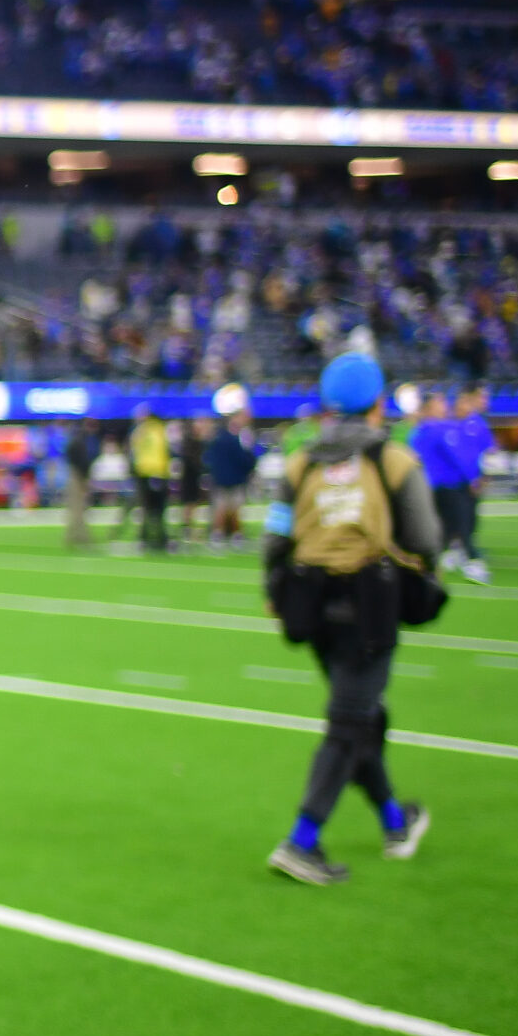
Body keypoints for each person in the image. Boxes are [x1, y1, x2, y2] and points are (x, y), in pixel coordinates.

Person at [263, 353, 439, 886]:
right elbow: (427, 538)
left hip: (313, 604)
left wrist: (275, 591)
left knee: (362, 717)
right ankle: (301, 840)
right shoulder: (394, 461)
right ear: (378, 404)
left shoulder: (300, 463)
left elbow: (275, 537)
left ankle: (394, 820)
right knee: (349, 723)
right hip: (370, 603)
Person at [418, 385, 494, 585]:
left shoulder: (420, 431)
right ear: (429, 408)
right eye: (439, 403)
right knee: (463, 524)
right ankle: (472, 562)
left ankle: (446, 556)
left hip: (433, 486)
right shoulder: (442, 429)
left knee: (444, 526)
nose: (444, 406)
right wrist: (473, 478)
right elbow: (458, 457)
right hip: (451, 485)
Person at [201, 408, 260, 554]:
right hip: (230, 478)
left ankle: (226, 536)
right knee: (226, 508)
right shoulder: (235, 436)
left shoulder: (224, 436)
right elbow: (245, 458)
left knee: (230, 509)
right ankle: (227, 536)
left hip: (226, 478)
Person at [128, 406, 171, 553]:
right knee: (158, 510)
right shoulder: (159, 430)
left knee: (146, 508)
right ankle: (159, 538)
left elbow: (134, 451)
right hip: (157, 473)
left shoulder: (141, 431)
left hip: (144, 473)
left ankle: (146, 537)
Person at [60, 419, 98, 549]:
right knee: (78, 508)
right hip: (78, 475)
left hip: (80, 475)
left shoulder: (82, 438)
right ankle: (79, 536)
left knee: (78, 508)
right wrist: (83, 475)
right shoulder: (82, 439)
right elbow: (79, 458)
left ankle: (75, 536)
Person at [175, 416, 210, 549]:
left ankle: (190, 529)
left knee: (194, 504)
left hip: (193, 477)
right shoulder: (191, 442)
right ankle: (187, 529)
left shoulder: (197, 442)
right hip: (190, 478)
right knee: (189, 504)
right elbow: (193, 461)